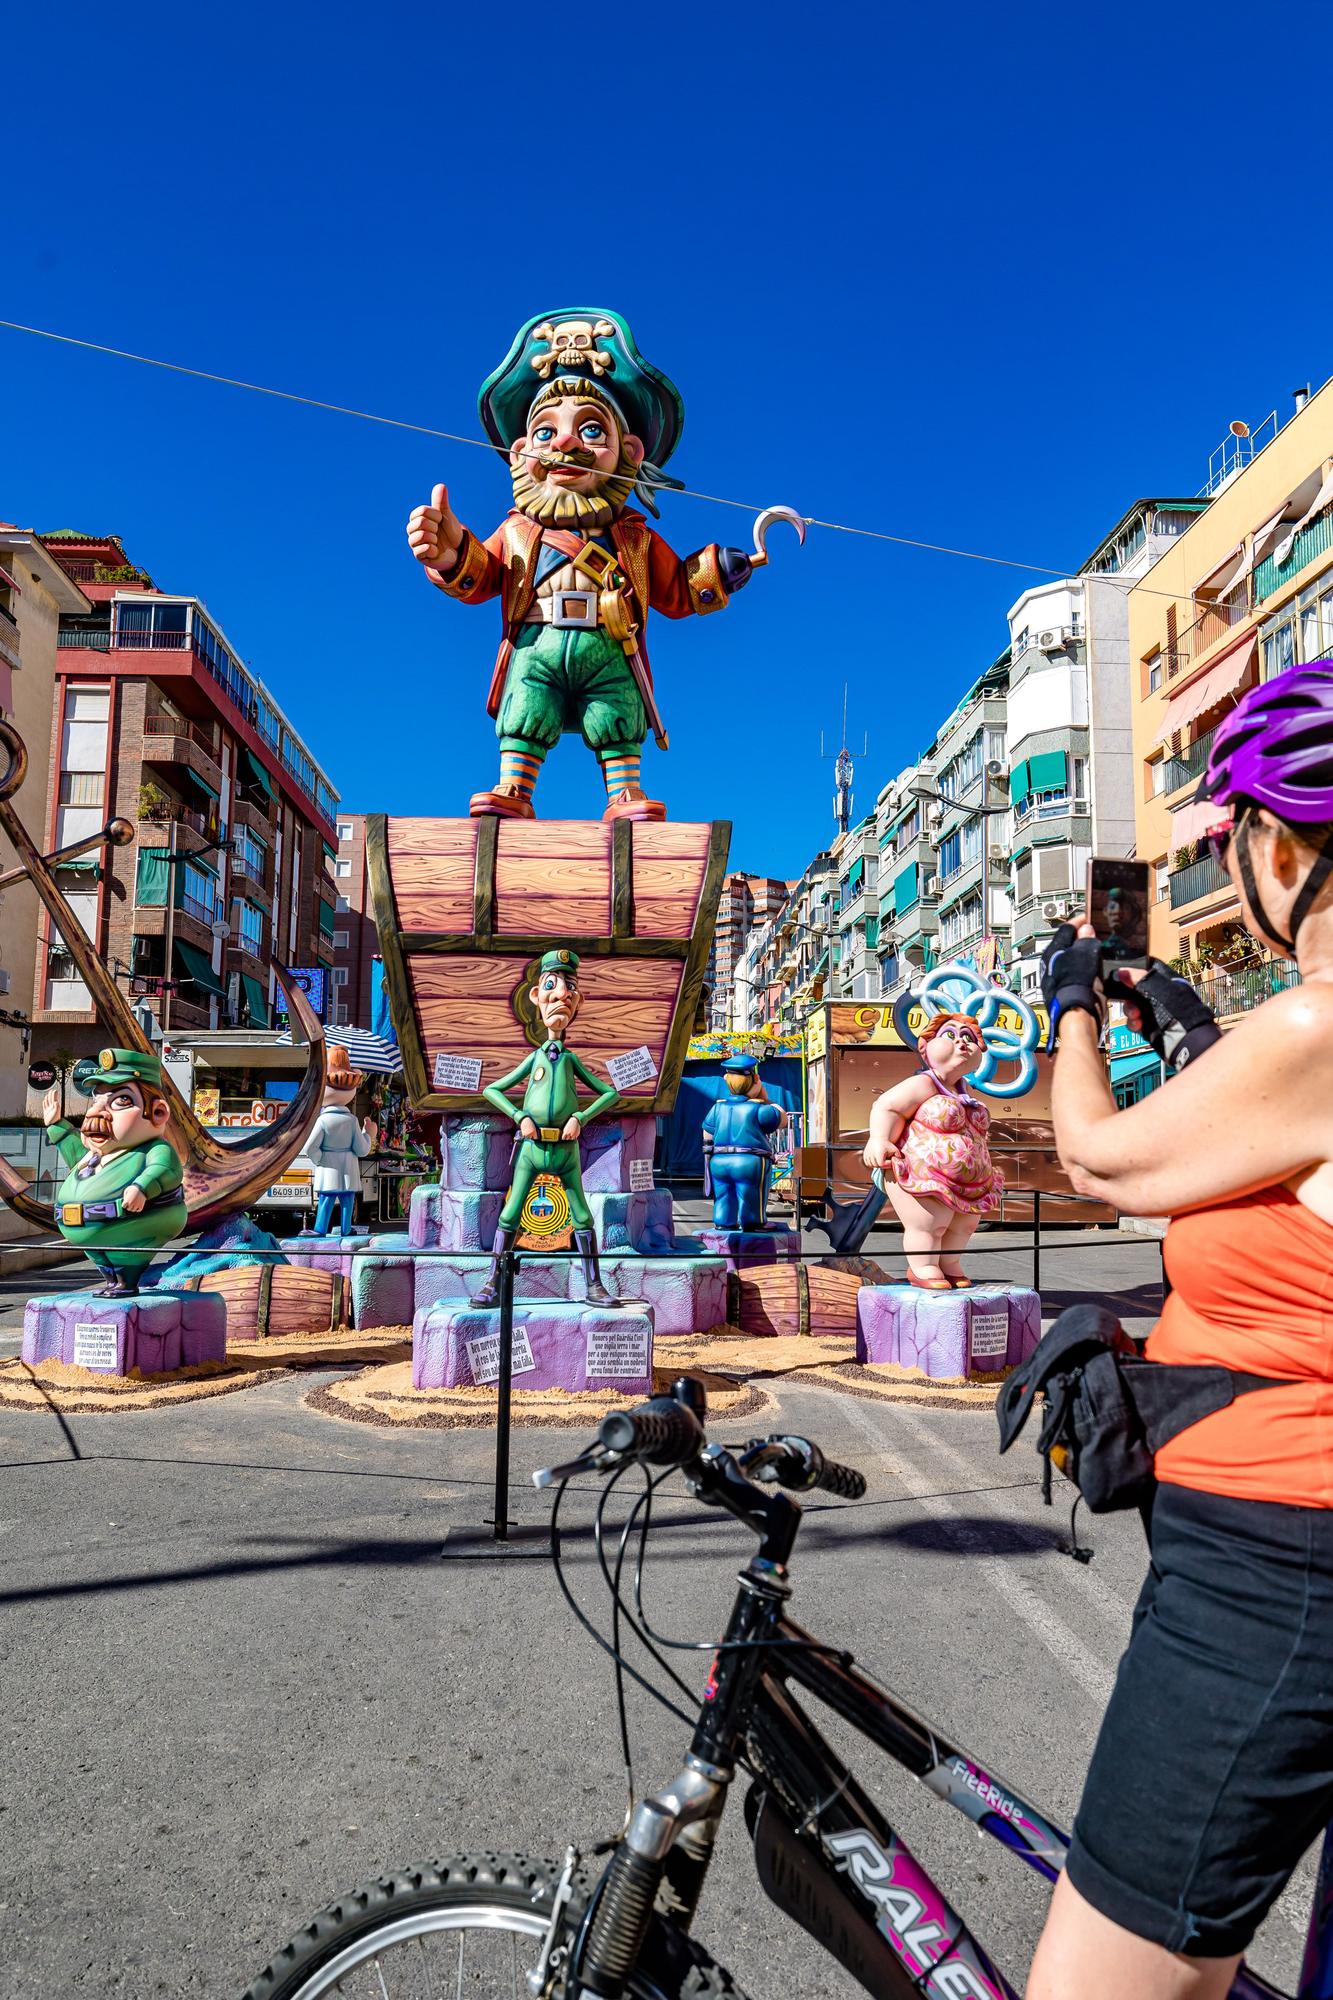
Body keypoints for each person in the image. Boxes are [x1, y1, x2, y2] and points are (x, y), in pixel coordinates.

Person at [1028, 663, 1333, 2000]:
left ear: (1278, 847)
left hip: (1276, 1582)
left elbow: (1102, 1159)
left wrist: (1071, 1006)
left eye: (1228, 839)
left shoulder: (1321, 1024)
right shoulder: (1288, 1042)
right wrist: (1202, 1030)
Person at [477, 948, 620, 1305]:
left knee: (581, 1213)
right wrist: (520, 1117)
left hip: (565, 1149)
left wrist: (580, 1118)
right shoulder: (534, 1058)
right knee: (511, 1212)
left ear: (578, 999)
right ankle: (494, 1280)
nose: (563, 994)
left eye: (570, 987)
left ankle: (593, 1285)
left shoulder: (570, 1060)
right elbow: (492, 1089)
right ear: (536, 997)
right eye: (553, 985)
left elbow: (609, 1093)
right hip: (532, 1148)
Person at [861, 1010, 1004, 1286]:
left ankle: (950, 1263)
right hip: (921, 1173)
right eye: (949, 1035)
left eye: (969, 1038)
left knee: (964, 1225)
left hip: (968, 1181)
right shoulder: (923, 1083)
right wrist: (879, 1139)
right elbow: (887, 1106)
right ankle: (923, 1266)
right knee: (931, 1222)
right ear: (925, 1046)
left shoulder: (964, 1092)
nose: (962, 1042)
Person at [42, 1048, 187, 1296]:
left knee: (125, 1257)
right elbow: (74, 1153)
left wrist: (142, 1187)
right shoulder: (97, 1154)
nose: (97, 1112)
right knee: (104, 1260)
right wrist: (56, 1125)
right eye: (96, 1100)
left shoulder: (153, 1149)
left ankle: (126, 1282)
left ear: (157, 1112)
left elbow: (165, 1170)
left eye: (120, 1101)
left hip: (132, 1225)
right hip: (85, 1229)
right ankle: (112, 1281)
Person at [702, 1053, 782, 1232]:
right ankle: (754, 1221)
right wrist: (765, 1098)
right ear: (756, 1079)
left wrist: (708, 1154)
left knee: (723, 1194)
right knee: (751, 1193)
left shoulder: (717, 1107)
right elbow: (780, 1119)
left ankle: (723, 1221)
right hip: (749, 1161)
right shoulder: (758, 1109)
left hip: (719, 1160)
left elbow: (707, 1131)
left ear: (726, 1080)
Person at [305, 1046, 376, 1237]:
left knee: (326, 1199)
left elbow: (310, 1147)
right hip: (348, 1167)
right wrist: (368, 1134)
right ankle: (346, 1229)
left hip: (328, 1166)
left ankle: (320, 1229)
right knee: (347, 1199)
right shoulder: (351, 1120)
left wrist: (321, 1159)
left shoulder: (323, 1120)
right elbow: (361, 1150)